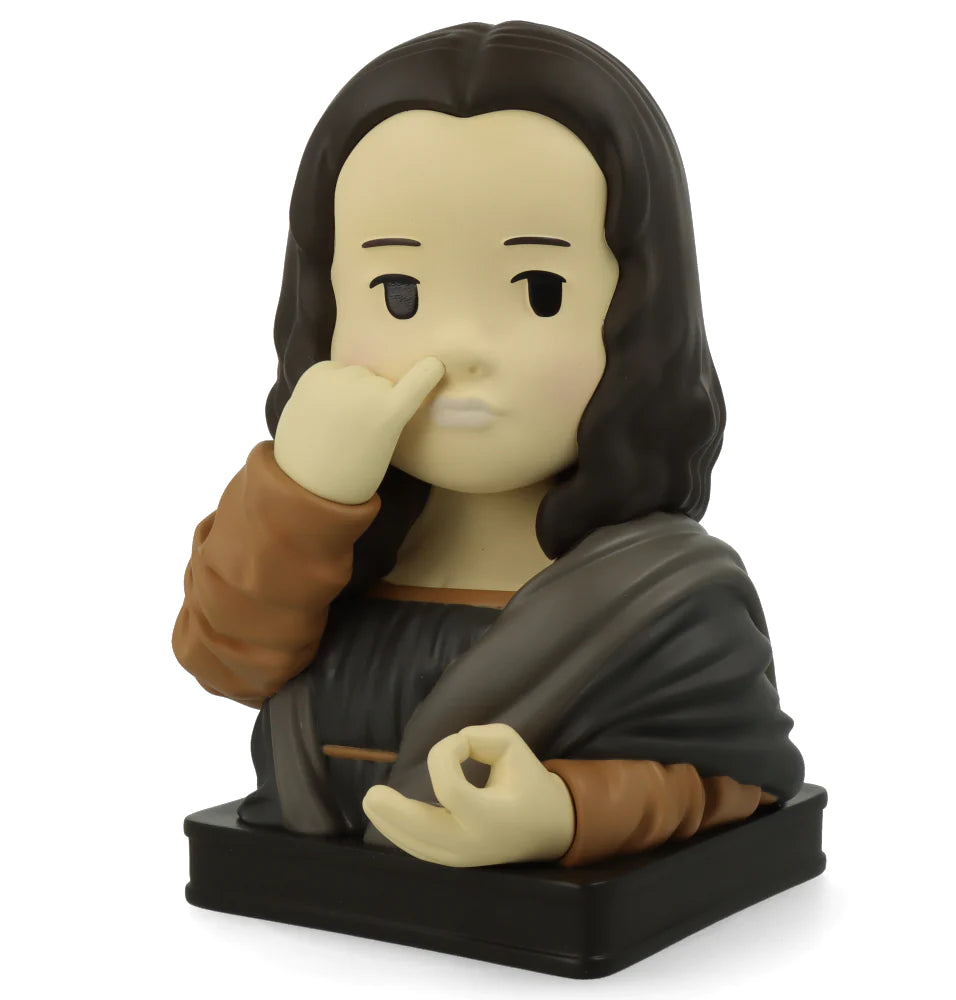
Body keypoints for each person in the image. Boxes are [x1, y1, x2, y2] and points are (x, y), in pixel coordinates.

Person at [172, 20, 805, 869]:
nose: (460, 346)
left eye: (541, 290)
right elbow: (226, 660)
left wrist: (568, 814)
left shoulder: (668, 597)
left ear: (639, 312)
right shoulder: (335, 550)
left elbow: (738, 780)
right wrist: (303, 492)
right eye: (399, 293)